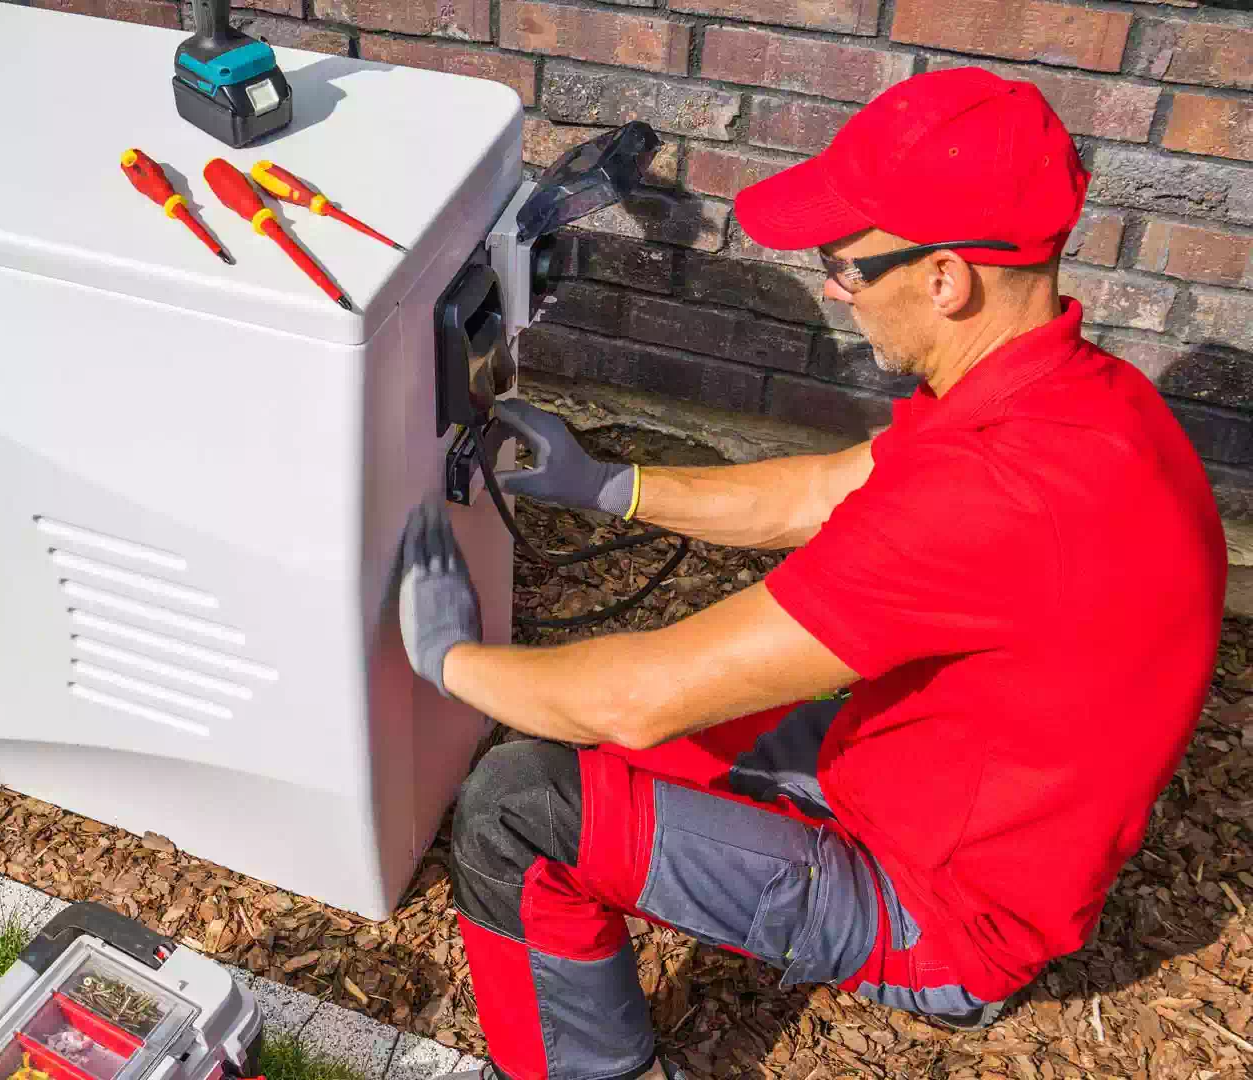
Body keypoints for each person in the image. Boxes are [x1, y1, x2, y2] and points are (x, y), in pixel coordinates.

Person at [395, 66, 1226, 1080]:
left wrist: (445, 661)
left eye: (845, 263)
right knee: (623, 733)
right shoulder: (1076, 398)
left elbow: (637, 696)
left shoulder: (995, 495)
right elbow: (824, 492)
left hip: (946, 908)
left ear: (945, 279)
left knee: (518, 806)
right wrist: (611, 484)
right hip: (939, 780)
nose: (836, 287)